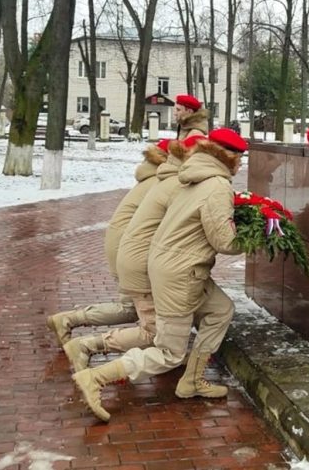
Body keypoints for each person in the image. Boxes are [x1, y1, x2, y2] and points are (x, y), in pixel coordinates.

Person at [72, 128, 247, 422]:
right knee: (169, 352)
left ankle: (192, 381)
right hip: (181, 273)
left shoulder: (193, 176)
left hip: (175, 265)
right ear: (227, 157)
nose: (241, 165)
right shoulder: (216, 184)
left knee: (220, 310)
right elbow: (225, 242)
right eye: (239, 159)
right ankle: (97, 378)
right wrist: (257, 238)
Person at [61, 135, 202, 371]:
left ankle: (69, 323)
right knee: (149, 326)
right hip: (136, 256)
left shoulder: (157, 177)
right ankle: (85, 345)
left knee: (138, 312)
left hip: (128, 249)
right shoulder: (170, 183)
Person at [46, 139, 171, 346]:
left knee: (130, 307)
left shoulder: (150, 176)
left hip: (121, 244)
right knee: (139, 312)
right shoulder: (159, 181)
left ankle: (67, 320)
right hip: (130, 248)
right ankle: (87, 345)